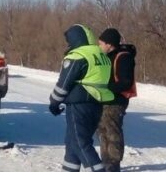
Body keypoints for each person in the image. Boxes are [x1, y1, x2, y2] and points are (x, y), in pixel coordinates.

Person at [49, 24, 114, 172]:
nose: (68, 44)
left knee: (80, 144)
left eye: (69, 41)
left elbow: (63, 85)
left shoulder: (78, 56)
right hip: (97, 104)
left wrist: (54, 103)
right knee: (72, 143)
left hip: (79, 106)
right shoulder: (101, 55)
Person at [96, 28, 137, 172]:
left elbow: (125, 82)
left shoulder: (123, 57)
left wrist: (105, 87)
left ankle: (113, 164)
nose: (99, 46)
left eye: (101, 43)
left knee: (113, 133)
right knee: (103, 133)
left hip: (116, 102)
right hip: (104, 101)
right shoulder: (107, 56)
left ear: (109, 44)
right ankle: (105, 162)